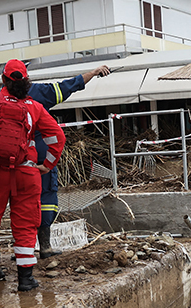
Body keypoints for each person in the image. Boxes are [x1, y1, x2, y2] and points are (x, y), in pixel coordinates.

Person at [0, 60, 66, 294]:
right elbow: (57, 137)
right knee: (25, 225)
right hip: (27, 172)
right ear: (26, 82)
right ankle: (26, 279)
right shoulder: (34, 107)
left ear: (4, 80)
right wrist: (46, 165)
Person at [29, 65, 111, 259]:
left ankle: (23, 249)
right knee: (46, 198)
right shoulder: (37, 93)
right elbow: (68, 86)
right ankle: (45, 246)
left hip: (14, 162)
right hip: (41, 159)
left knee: (20, 202)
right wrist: (93, 72)